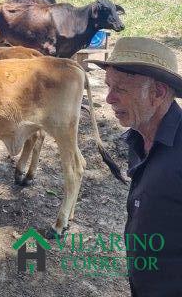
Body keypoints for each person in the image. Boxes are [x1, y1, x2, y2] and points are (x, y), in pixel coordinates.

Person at [87, 37, 182, 297]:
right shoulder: (138, 138)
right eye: (108, 86)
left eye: (121, 89)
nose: (108, 99)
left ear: (158, 93)